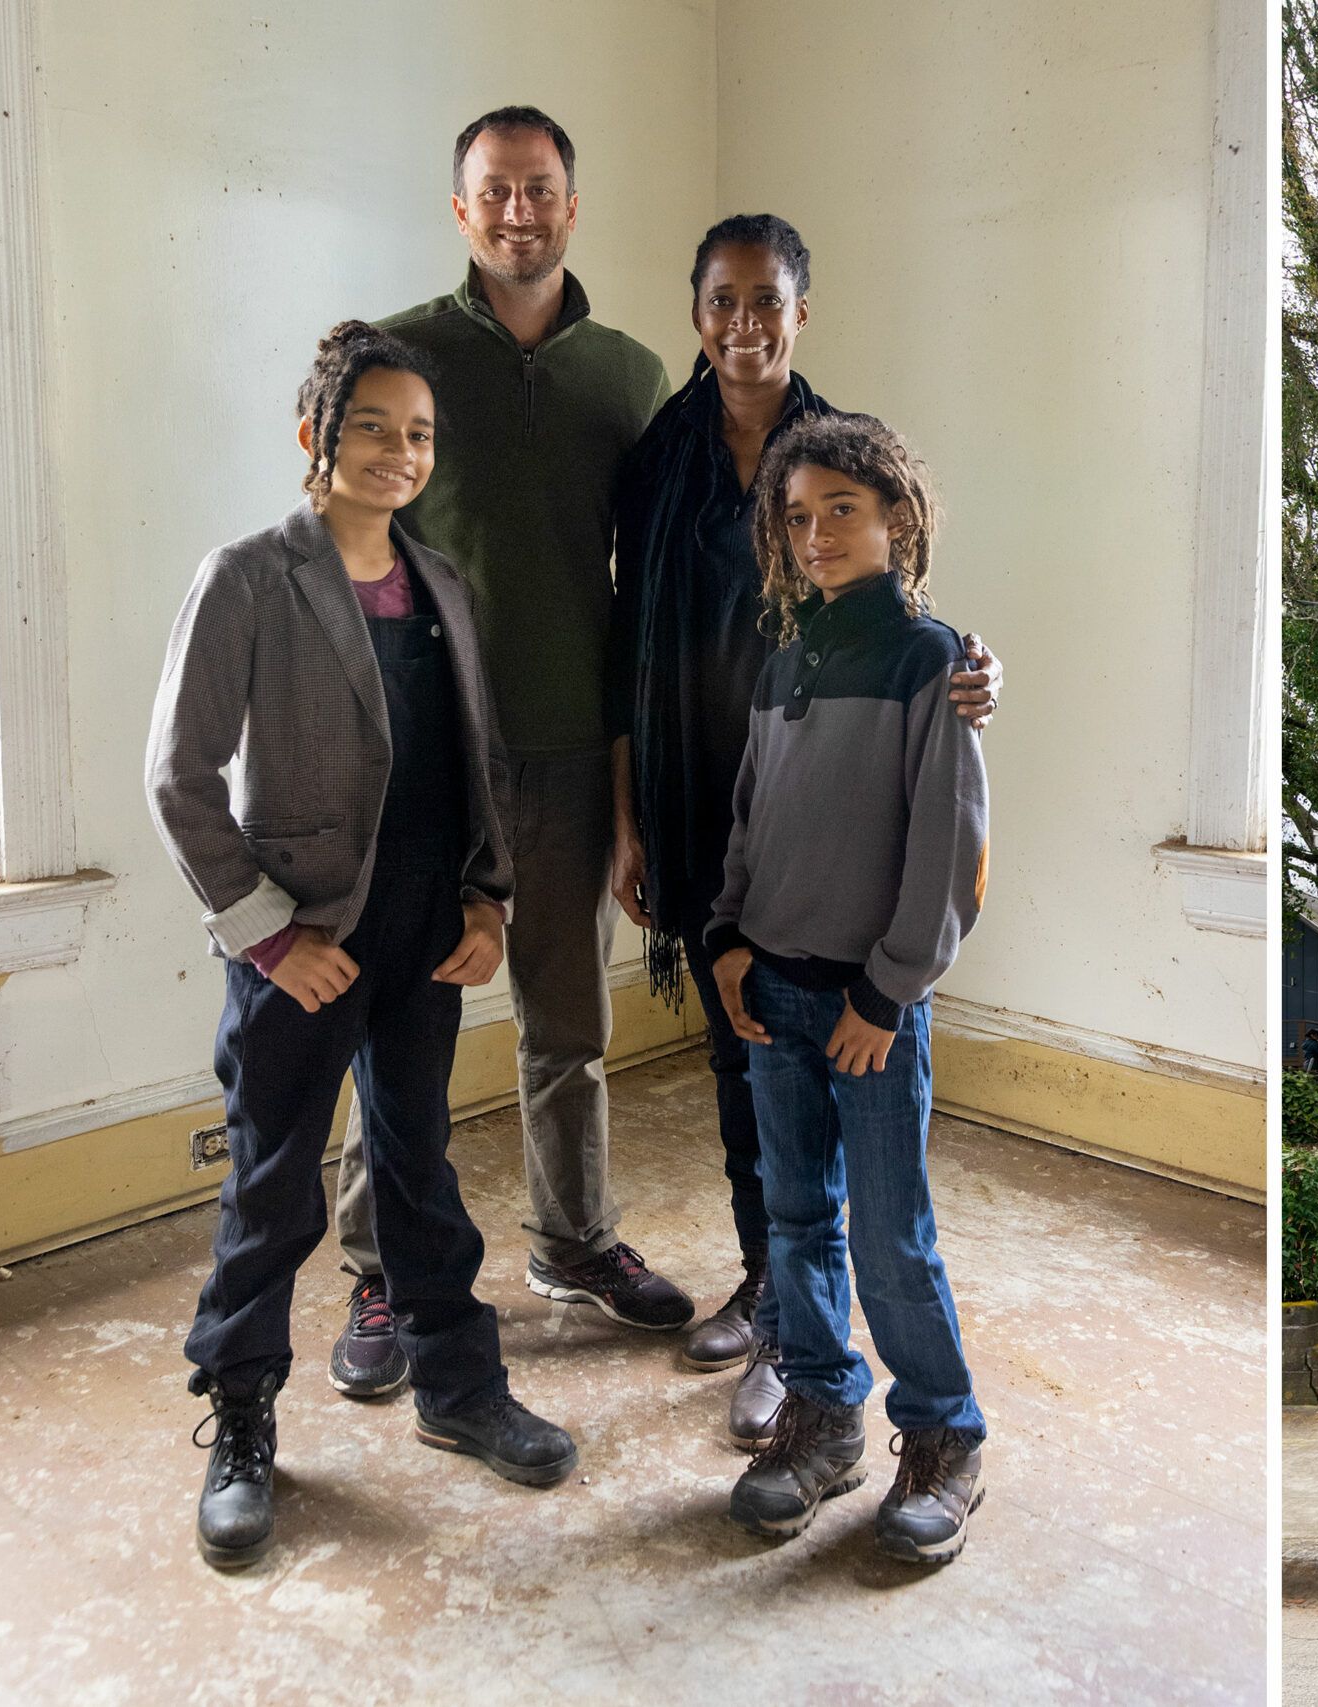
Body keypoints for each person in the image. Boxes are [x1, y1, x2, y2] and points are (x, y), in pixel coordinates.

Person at [322, 111, 1000, 1401]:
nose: (520, 210)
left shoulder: (629, 383)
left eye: (543, 190)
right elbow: (353, 512)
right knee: (399, 1016)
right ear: (462, 209)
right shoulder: (411, 358)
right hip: (440, 748)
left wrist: (965, 662)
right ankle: (379, 1268)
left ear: (574, 207)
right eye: (495, 192)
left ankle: (575, 1242)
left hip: (607, 749)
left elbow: (864, 580)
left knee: (566, 1024)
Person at [146, 324, 577, 1570]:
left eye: (420, 434)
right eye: (374, 428)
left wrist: (486, 902)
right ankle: (240, 1421)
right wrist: (272, 940)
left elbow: (475, 764)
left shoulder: (444, 588)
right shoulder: (248, 578)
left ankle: (459, 1384)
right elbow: (177, 780)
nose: (400, 452)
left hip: (424, 933)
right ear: (316, 442)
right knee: (274, 1186)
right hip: (305, 938)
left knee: (418, 1166)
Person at [606, 214, 1001, 1448]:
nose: (744, 321)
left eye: (766, 297)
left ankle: (908, 1410)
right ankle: (789, 1320)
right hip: (723, 825)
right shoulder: (657, 459)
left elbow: (920, 647)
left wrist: (975, 667)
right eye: (721, 299)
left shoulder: (842, 471)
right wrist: (664, 857)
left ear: (800, 311)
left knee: (881, 1207)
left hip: (850, 872)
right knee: (764, 1116)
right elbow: (628, 646)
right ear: (697, 314)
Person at [706, 414, 990, 1565]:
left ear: (897, 521)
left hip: (871, 1008)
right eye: (798, 514)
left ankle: (943, 1436)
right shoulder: (783, 665)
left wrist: (887, 995)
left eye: (842, 511)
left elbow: (950, 848)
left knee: (890, 1234)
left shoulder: (936, 666)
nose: (817, 533)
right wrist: (727, 938)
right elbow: (749, 817)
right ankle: (823, 1417)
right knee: (792, 1222)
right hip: (771, 992)